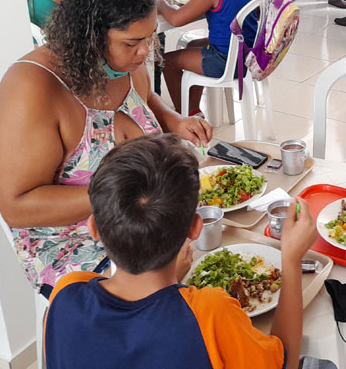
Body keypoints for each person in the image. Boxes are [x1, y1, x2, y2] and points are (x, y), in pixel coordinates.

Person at [0, 0, 213, 296]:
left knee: (218, 262)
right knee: (177, 306)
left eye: (149, 37)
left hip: (145, 219)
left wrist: (175, 121)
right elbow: (16, 205)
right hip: (75, 244)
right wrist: (124, 196)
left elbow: (146, 98)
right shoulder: (33, 86)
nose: (144, 51)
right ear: (90, 35)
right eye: (131, 43)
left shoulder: (127, 60)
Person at [44, 133, 318, 369]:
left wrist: (170, 280)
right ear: (195, 227)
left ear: (94, 228)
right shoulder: (210, 311)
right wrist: (291, 260)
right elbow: (286, 361)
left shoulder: (65, 293)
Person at [158, 0, 259, 116]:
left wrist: (159, 2)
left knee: (167, 61)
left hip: (226, 60)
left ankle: (184, 116)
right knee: (192, 45)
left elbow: (176, 19)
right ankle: (193, 109)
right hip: (247, 56)